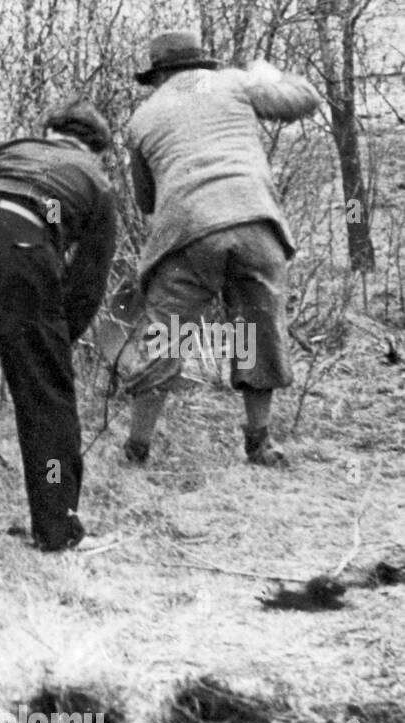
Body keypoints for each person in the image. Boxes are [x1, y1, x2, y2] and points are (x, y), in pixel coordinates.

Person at [117, 30, 321, 466]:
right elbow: (305, 99)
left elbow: (146, 200)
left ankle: (137, 449)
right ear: (200, 62)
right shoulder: (234, 82)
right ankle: (260, 443)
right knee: (256, 330)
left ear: (157, 74)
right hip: (254, 223)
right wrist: (271, 74)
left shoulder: (142, 117)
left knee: (167, 337)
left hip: (187, 234)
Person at [0, 99, 117, 551]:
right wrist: (49, 342)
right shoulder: (95, 180)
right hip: (25, 249)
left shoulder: (3, 150)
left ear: (47, 130)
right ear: (98, 150)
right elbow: (89, 281)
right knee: (45, 406)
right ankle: (57, 531)